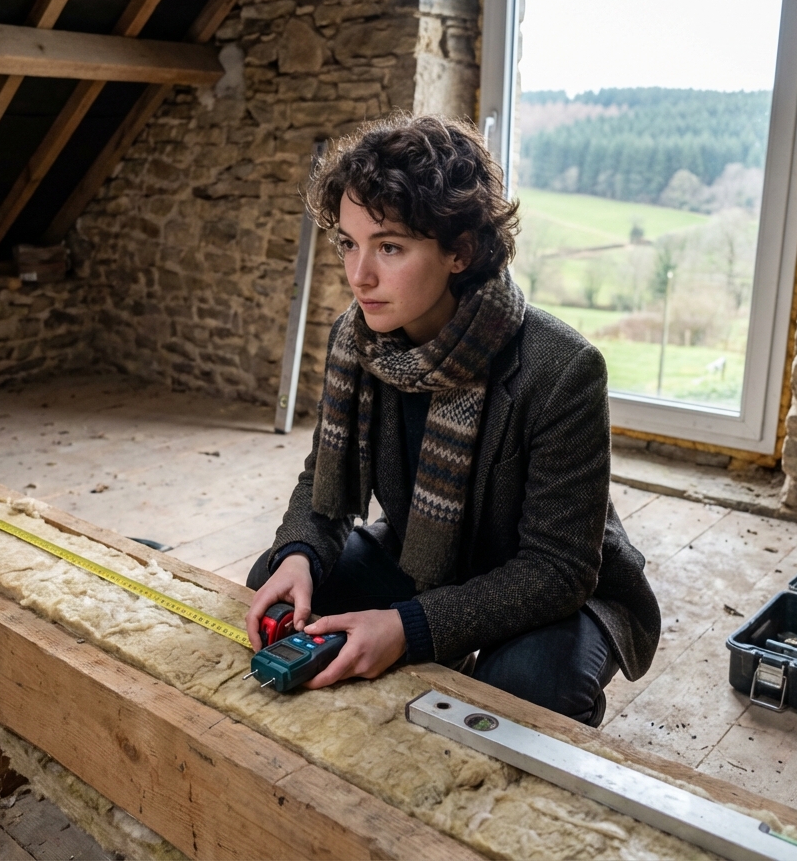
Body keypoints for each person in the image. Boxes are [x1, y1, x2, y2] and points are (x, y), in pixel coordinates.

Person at [245, 114, 660, 726]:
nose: (359, 275)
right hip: (425, 554)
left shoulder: (563, 368)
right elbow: (322, 488)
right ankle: (437, 642)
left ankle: (495, 669)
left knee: (524, 689)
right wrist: (300, 555)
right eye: (349, 244)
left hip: (557, 583)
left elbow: (559, 570)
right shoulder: (357, 342)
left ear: (459, 251)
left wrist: (409, 629)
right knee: (277, 584)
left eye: (389, 247)